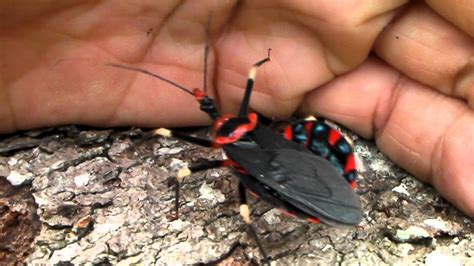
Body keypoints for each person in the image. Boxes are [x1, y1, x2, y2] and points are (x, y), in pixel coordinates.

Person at [1, 1, 472, 218]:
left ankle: (284, 212)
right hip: (272, 165)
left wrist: (254, 67)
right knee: (254, 175)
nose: (209, 106)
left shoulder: (228, 130)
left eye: (210, 105)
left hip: (278, 161)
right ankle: (282, 215)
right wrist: (254, 66)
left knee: (265, 157)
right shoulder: (234, 136)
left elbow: (248, 72)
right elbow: (248, 72)